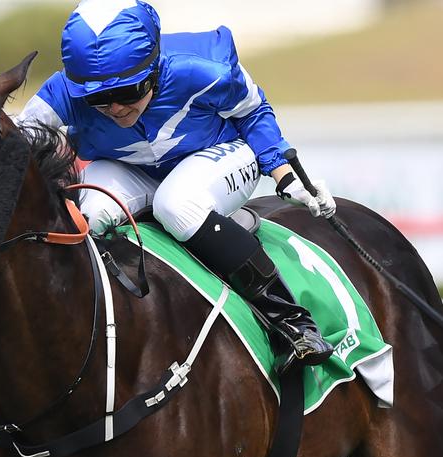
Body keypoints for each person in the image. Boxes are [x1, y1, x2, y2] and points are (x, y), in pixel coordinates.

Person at [18, 0, 335, 371]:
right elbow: (8, 141)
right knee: (91, 215)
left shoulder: (203, 69)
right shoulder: (62, 93)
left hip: (221, 153)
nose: (115, 108)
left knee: (176, 204)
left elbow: (253, 112)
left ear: (153, 69)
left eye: (128, 91)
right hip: (129, 168)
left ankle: (292, 320)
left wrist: (285, 176)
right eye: (98, 98)